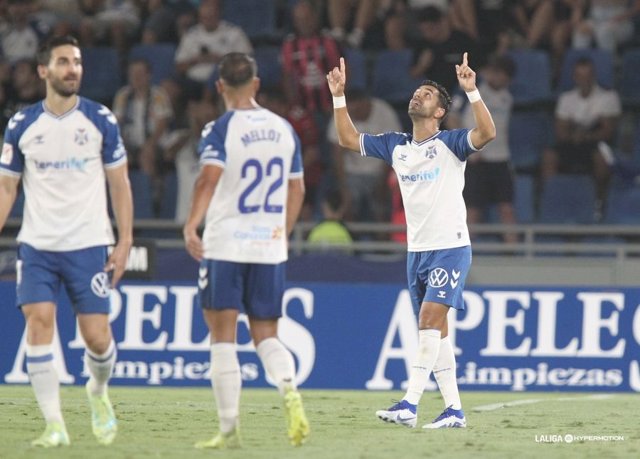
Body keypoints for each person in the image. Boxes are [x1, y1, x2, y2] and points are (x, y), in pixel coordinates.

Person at [326, 52, 496, 428]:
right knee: (438, 331)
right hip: (416, 251)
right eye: (417, 92)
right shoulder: (396, 145)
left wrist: (471, 92)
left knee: (427, 320)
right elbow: (347, 138)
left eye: (427, 95)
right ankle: (453, 409)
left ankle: (410, 402)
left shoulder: (451, 143)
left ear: (439, 112)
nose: (418, 97)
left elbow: (487, 134)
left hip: (450, 246)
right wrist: (338, 96)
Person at [0, 35, 133, 447]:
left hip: (89, 244)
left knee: (97, 338)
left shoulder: (100, 120)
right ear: (44, 71)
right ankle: (54, 425)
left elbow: (120, 184)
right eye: (63, 62)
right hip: (38, 245)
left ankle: (97, 392)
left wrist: (125, 239)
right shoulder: (22, 125)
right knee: (38, 324)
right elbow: (7, 189)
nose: (72, 68)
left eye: (76, 62)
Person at [182, 52, 309, 449]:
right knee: (267, 336)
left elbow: (208, 179)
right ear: (256, 84)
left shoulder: (220, 128)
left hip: (226, 242)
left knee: (222, 336)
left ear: (219, 86)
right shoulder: (284, 129)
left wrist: (191, 224)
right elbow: (297, 188)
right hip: (268, 245)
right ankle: (288, 388)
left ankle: (229, 428)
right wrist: (281, 233)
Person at [447, 55, 517, 243]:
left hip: (501, 159)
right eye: (494, 72)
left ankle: (515, 256)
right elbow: (452, 118)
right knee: (472, 210)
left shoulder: (508, 97)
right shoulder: (468, 91)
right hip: (475, 160)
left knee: (507, 209)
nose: (495, 77)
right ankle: (467, 259)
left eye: (501, 74)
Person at [541, 56, 621, 219]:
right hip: (572, 142)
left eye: (587, 75)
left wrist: (584, 132)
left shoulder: (608, 97)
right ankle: (551, 202)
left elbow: (607, 131)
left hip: (597, 144)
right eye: (580, 75)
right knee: (549, 156)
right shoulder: (566, 98)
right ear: (574, 77)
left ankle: (599, 203)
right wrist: (589, 125)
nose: (584, 79)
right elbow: (561, 131)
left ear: (593, 76)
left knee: (602, 158)